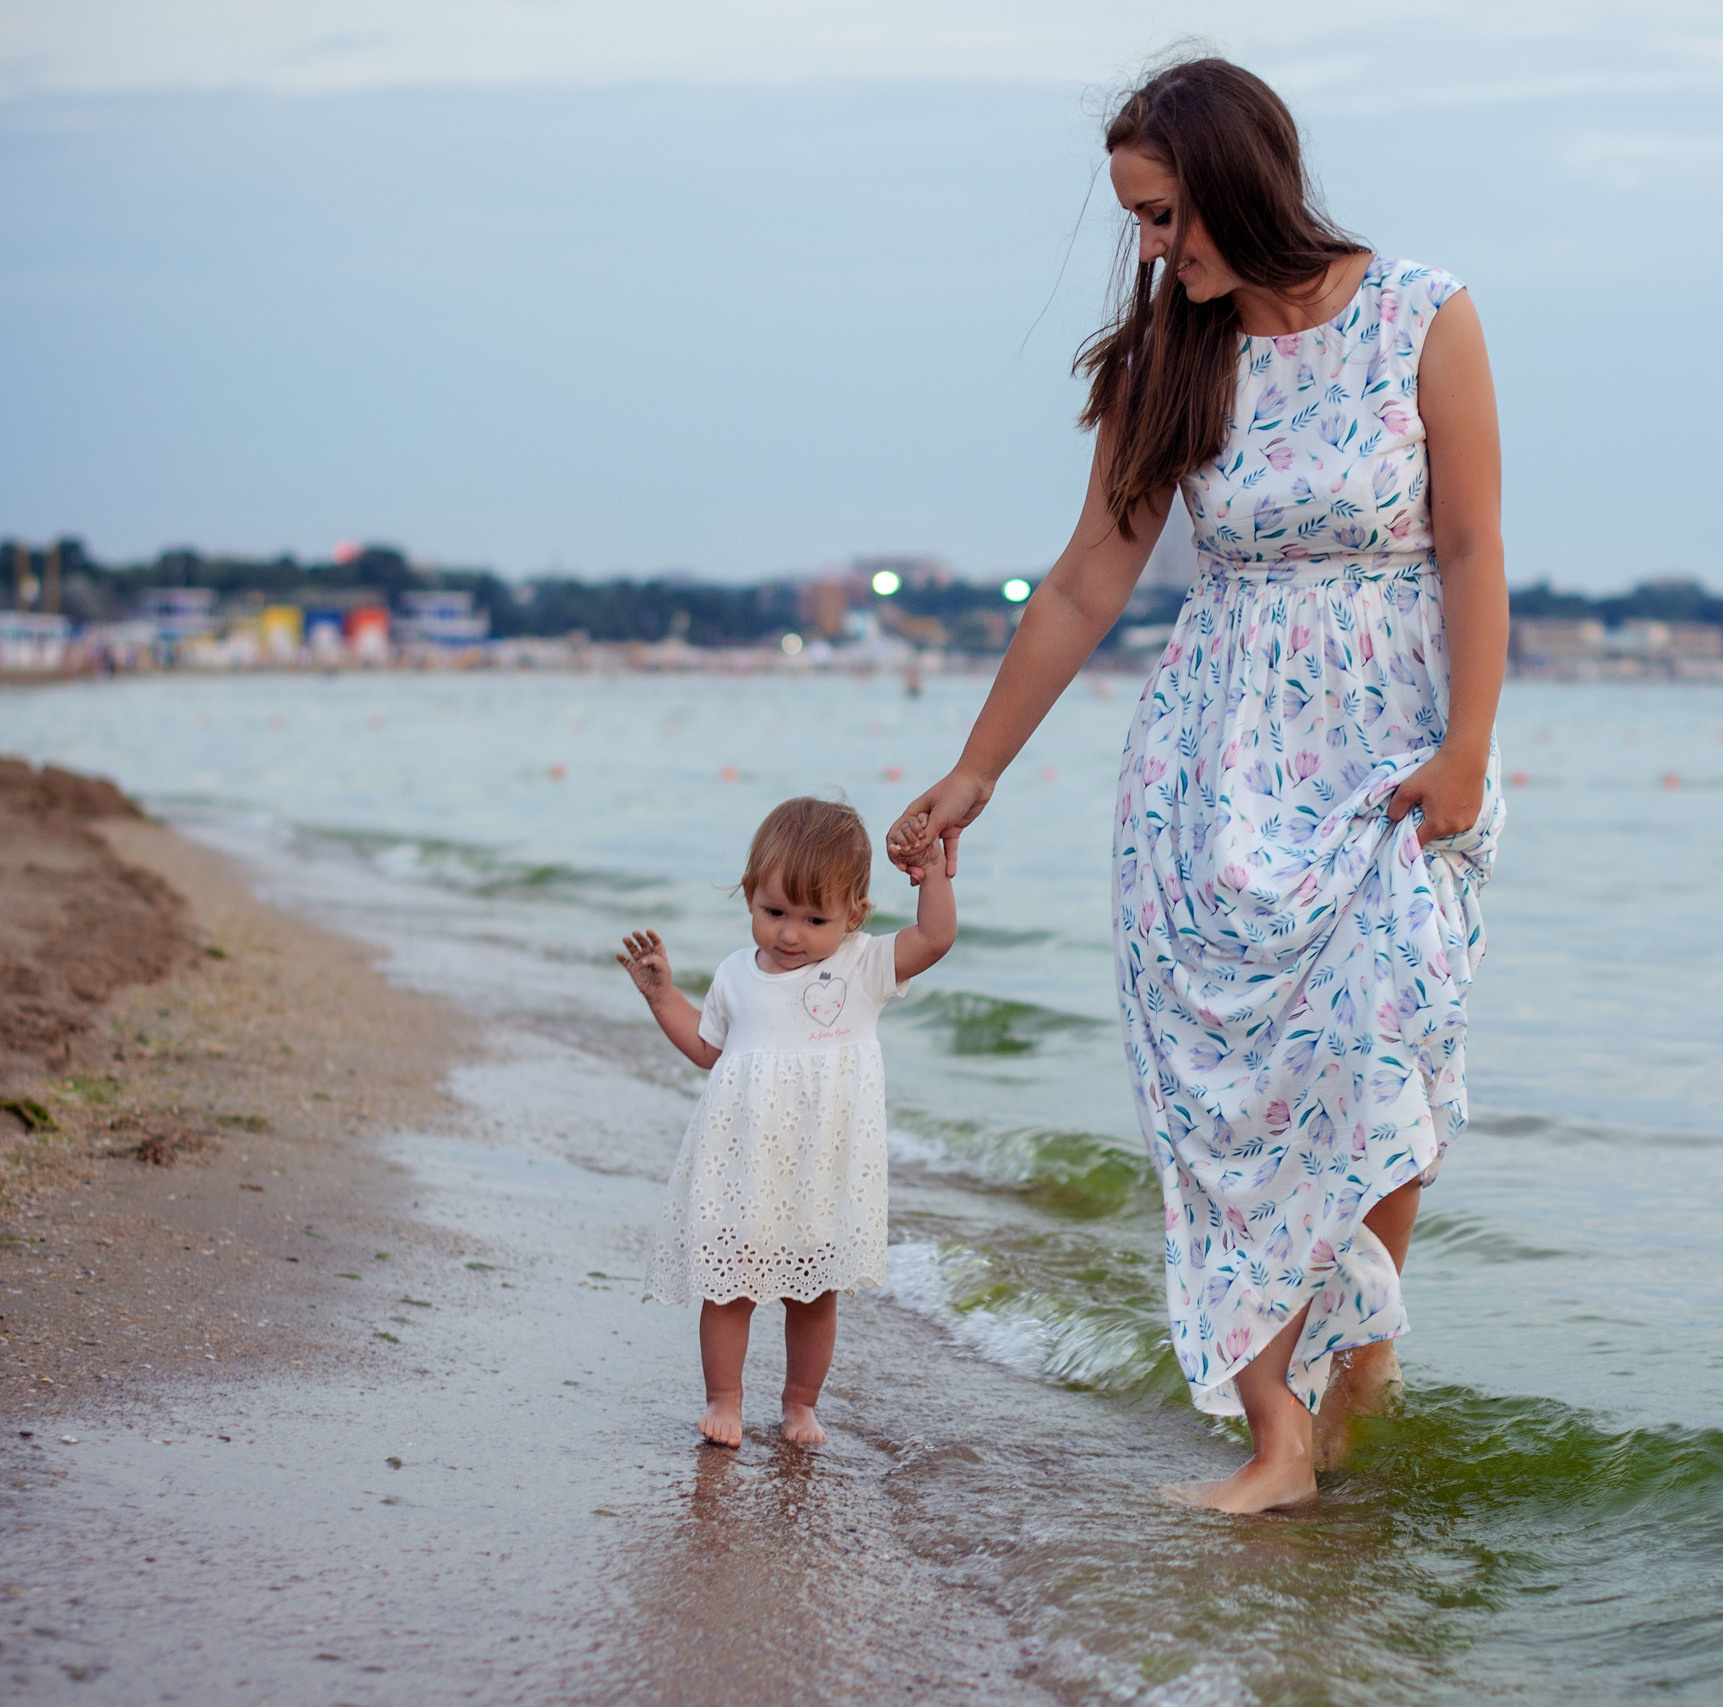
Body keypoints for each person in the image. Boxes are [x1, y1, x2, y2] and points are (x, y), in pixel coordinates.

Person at [888, 56, 1506, 1513]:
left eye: (1166, 214)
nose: (1156, 248)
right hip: (1213, 765)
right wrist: (975, 769)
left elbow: (1473, 546)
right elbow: (1090, 576)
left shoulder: (1427, 311)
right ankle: (1279, 1437)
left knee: (1381, 1043)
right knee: (1227, 1100)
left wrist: (1469, 744)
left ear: (1240, 176)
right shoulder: (1178, 356)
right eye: (1140, 224)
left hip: (1400, 746)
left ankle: (1360, 1348)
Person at [620, 796, 956, 1448]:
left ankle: (800, 1404)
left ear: (854, 915)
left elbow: (935, 937)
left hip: (823, 1164)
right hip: (745, 1157)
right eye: (774, 912)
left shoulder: (860, 965)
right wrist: (664, 995)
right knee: (730, 1285)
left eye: (815, 918)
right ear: (749, 896)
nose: (790, 934)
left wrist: (934, 872)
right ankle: (724, 1398)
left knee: (815, 1293)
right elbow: (709, 1049)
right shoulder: (734, 976)